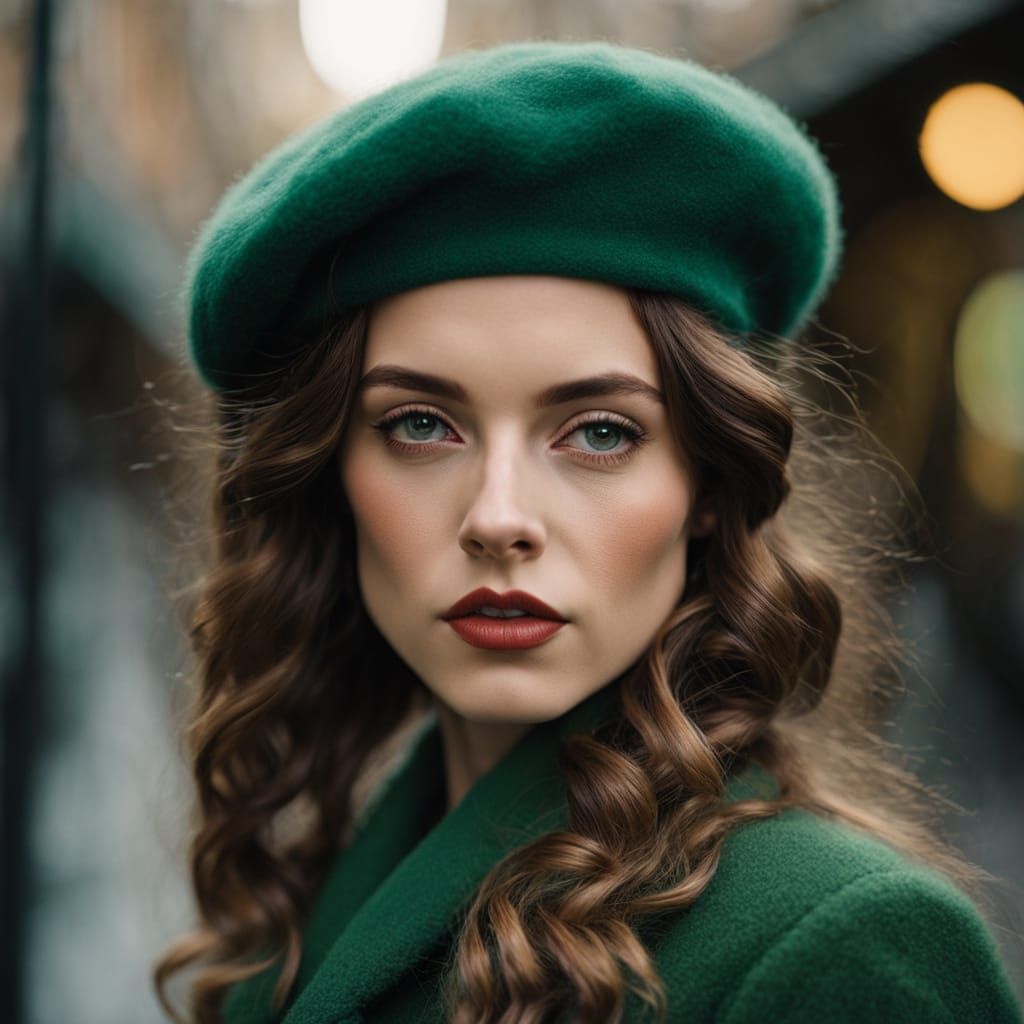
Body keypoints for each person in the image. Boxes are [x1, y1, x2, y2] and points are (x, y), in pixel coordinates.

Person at [153, 39, 1023, 1024]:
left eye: (599, 432)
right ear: (329, 476)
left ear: (707, 480)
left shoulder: (845, 947)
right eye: (420, 425)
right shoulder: (320, 891)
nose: (498, 520)